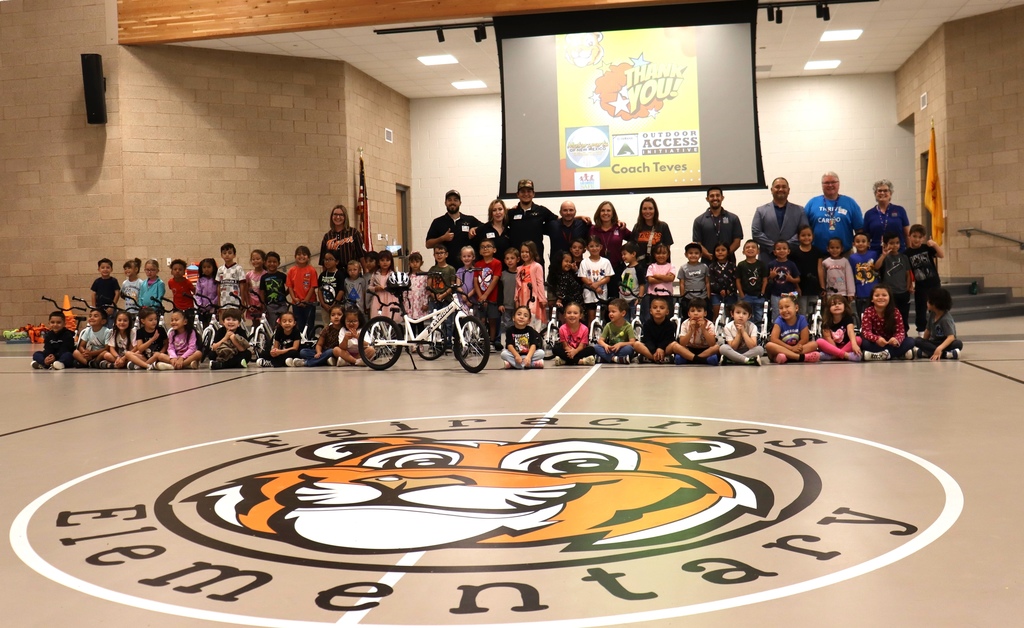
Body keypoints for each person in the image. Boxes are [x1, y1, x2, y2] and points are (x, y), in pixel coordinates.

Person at [751, 177, 809, 264]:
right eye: (777, 187)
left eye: (784, 187)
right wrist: (775, 248)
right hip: (767, 258)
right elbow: (756, 233)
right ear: (771, 190)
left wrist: (786, 247)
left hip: (793, 258)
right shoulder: (761, 210)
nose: (781, 189)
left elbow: (804, 232)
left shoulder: (800, 210)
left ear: (788, 190)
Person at [805, 171, 864, 252]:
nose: (830, 185)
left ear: (838, 184)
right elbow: (804, 228)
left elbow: (859, 230)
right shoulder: (812, 203)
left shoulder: (850, 203)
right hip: (818, 255)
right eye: (826, 183)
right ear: (822, 185)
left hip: (845, 254)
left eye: (833, 182)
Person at [508, 179, 557, 273]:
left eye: (529, 191)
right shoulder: (510, 213)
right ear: (517, 194)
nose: (526, 194)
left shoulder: (541, 211)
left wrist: (579, 217)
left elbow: (560, 220)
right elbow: (495, 224)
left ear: (533, 194)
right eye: (522, 191)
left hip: (536, 259)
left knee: (537, 287)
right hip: (516, 260)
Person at [905, 224, 944, 335]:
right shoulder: (907, 253)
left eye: (920, 237)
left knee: (936, 306)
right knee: (921, 308)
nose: (917, 239)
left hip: (934, 282)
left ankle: (937, 329)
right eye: (914, 236)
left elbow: (941, 255)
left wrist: (935, 244)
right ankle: (921, 330)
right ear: (909, 236)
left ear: (923, 238)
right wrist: (910, 284)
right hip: (921, 285)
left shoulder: (926, 248)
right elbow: (908, 271)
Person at [425, 189, 482, 263]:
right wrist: (443, 238)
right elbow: (428, 244)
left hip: (466, 268)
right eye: (449, 200)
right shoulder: (438, 222)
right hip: (445, 269)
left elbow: (486, 227)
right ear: (445, 203)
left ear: (460, 203)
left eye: (455, 200)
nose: (452, 202)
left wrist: (474, 228)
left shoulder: (470, 220)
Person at [861, 284, 915, 360]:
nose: (880, 298)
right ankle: (897, 354)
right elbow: (866, 332)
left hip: (892, 343)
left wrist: (896, 339)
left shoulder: (895, 312)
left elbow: (901, 332)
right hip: (876, 343)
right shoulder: (868, 311)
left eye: (884, 295)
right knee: (864, 343)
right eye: (877, 295)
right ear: (872, 299)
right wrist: (876, 339)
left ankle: (880, 355)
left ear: (889, 298)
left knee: (910, 341)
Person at [590, 200, 632, 297]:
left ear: (613, 214)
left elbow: (634, 239)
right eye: (603, 210)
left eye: (608, 211)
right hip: (597, 271)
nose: (606, 213)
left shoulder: (620, 228)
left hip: (617, 269)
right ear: (598, 213)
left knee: (617, 299)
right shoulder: (592, 229)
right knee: (598, 299)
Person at [692, 186, 743, 263]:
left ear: (722, 198)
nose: (715, 198)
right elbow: (698, 243)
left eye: (717, 195)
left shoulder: (733, 218)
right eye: (711, 196)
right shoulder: (699, 220)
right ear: (707, 199)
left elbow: (737, 241)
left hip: (729, 261)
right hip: (707, 262)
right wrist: (709, 255)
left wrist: (725, 255)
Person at [765, 294, 821, 364]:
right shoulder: (779, 321)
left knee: (814, 344)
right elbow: (774, 339)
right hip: (783, 348)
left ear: (796, 308)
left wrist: (796, 347)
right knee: (769, 345)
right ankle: (800, 357)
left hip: (796, 349)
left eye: (787, 307)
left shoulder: (801, 319)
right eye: (781, 308)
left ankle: (787, 357)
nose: (784, 310)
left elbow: (805, 339)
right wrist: (791, 348)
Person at [547, 200, 591, 282]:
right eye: (565, 210)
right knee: (554, 294)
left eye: (571, 210)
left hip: (577, 269)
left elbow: (600, 227)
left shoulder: (583, 224)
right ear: (560, 212)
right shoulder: (552, 225)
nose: (568, 212)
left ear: (575, 212)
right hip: (556, 269)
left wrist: (616, 222)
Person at [878, 231, 914, 328]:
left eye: (897, 243)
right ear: (885, 245)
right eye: (891, 243)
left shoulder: (904, 257)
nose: (895, 245)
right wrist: (884, 255)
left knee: (903, 315)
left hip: (903, 292)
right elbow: (876, 267)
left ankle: (904, 333)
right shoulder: (885, 258)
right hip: (890, 293)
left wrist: (908, 287)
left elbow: (908, 274)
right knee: (890, 315)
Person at [863, 179, 910, 253]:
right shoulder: (869, 214)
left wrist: (909, 252)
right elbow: (866, 237)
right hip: (876, 253)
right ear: (875, 194)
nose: (882, 193)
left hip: (898, 252)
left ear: (890, 193)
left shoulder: (900, 210)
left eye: (885, 190)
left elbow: (907, 235)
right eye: (879, 191)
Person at [668, 297, 720, 365]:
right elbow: (682, 343)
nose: (695, 313)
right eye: (692, 311)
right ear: (689, 314)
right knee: (676, 350)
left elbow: (712, 344)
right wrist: (691, 330)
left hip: (705, 349)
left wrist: (703, 329)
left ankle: (694, 359)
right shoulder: (685, 323)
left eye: (699, 311)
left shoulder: (709, 324)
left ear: (705, 313)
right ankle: (699, 359)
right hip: (689, 349)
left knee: (717, 348)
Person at [915, 288, 962, 360]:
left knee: (958, 344)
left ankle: (932, 352)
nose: (927, 302)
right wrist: (923, 343)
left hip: (945, 344)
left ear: (935, 304)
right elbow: (928, 331)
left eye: (929, 301)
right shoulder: (932, 314)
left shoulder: (945, 319)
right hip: (933, 342)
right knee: (917, 341)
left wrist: (939, 348)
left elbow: (951, 337)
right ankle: (946, 354)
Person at [631, 196, 674, 272]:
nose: (647, 211)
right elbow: (632, 249)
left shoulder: (663, 226)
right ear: (641, 211)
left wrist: (667, 269)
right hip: (640, 269)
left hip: (658, 269)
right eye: (644, 209)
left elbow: (667, 251)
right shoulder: (637, 227)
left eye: (650, 208)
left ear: (655, 210)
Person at [789, 225, 825, 316]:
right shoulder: (794, 252)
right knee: (802, 311)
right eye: (803, 235)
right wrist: (796, 286)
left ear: (813, 236)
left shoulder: (817, 251)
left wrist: (822, 287)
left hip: (814, 285)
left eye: (809, 235)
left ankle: (813, 329)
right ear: (798, 237)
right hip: (801, 286)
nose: (806, 238)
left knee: (813, 311)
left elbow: (820, 269)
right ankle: (803, 329)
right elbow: (793, 271)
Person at [578, 236, 614, 324]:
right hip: (589, 294)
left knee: (601, 316)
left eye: (597, 246)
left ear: (601, 247)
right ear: (587, 248)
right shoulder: (584, 262)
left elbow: (608, 277)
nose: (594, 248)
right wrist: (594, 287)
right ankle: (591, 335)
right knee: (591, 316)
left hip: (602, 293)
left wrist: (598, 284)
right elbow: (583, 277)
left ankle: (600, 335)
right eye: (591, 246)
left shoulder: (605, 262)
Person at [319, 204, 365, 271]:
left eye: (341, 215)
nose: (338, 217)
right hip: (333, 274)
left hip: (350, 274)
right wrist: (324, 275)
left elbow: (361, 255)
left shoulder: (354, 233)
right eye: (335, 214)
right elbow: (323, 259)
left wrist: (365, 271)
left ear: (345, 217)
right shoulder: (328, 236)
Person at [427, 245, 458, 348]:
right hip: (434, 300)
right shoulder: (432, 269)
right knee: (434, 322)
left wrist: (444, 295)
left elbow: (452, 285)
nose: (439, 255)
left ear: (446, 254)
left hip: (447, 299)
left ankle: (448, 343)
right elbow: (429, 285)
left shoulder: (451, 269)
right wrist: (435, 295)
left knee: (448, 323)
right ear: (434, 255)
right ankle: (434, 344)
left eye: (441, 253)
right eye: (437, 253)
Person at [719, 301, 766, 365]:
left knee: (760, 349)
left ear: (749, 316)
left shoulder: (752, 326)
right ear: (732, 314)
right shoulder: (728, 327)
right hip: (733, 352)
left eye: (744, 313)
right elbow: (733, 347)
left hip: (748, 351)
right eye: (738, 312)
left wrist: (743, 332)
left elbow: (752, 346)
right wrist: (739, 333)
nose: (741, 316)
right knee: (723, 348)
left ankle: (733, 360)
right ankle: (747, 360)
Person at [816, 294, 862, 361]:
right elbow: (828, 338)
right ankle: (846, 355)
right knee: (819, 341)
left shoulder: (848, 318)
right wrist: (835, 350)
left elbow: (850, 331)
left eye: (839, 303)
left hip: (846, 346)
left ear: (844, 306)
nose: (837, 306)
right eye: (833, 304)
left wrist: (854, 344)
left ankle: (832, 357)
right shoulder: (826, 321)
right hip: (832, 347)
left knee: (858, 339)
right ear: (829, 308)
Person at [474, 240, 504, 344]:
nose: (485, 248)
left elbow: (495, 280)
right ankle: (482, 340)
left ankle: (491, 341)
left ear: (494, 250)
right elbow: (475, 281)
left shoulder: (497, 263)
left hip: (492, 298)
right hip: (481, 298)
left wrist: (486, 295)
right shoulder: (478, 264)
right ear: (480, 251)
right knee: (481, 320)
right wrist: (480, 296)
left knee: (492, 320)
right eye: (482, 247)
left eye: (488, 246)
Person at [287, 245, 319, 339]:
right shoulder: (291, 271)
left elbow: (313, 287)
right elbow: (290, 287)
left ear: (308, 257)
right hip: (296, 303)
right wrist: (294, 299)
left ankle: (310, 343)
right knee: (298, 325)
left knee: (309, 325)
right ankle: (299, 344)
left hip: (309, 303)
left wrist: (306, 300)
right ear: (295, 256)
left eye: (304, 254)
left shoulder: (312, 270)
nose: (301, 256)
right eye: (299, 254)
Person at [736, 240, 768, 328]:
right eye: (747, 247)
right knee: (745, 316)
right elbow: (738, 281)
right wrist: (742, 294)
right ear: (743, 251)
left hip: (758, 296)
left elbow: (765, 279)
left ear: (758, 251)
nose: (750, 249)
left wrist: (762, 292)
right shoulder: (741, 265)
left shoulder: (761, 264)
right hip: (746, 296)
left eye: (753, 247)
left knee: (759, 316)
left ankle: (757, 335)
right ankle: (746, 334)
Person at [633, 295, 675, 363]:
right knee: (636, 344)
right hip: (651, 349)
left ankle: (648, 358)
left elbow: (668, 339)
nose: (658, 310)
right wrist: (654, 351)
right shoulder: (647, 324)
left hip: (664, 349)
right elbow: (647, 340)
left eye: (662, 308)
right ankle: (657, 358)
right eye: (655, 308)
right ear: (650, 311)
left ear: (667, 312)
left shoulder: (670, 324)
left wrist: (661, 348)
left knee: (674, 345)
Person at [767, 241, 800, 322]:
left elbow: (798, 279)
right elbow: (766, 280)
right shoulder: (771, 264)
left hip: (789, 294)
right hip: (775, 294)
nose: (781, 251)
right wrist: (771, 276)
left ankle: (790, 329)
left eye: (784, 248)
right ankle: (776, 330)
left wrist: (791, 280)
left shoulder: (792, 264)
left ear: (788, 251)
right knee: (776, 312)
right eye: (778, 249)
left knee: (790, 312)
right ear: (774, 252)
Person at [516, 241, 546, 330]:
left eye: (527, 252)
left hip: (533, 295)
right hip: (522, 295)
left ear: (532, 252)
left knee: (533, 314)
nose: (524, 254)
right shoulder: (519, 268)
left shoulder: (537, 266)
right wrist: (516, 298)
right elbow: (518, 285)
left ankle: (536, 336)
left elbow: (540, 283)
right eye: (522, 252)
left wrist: (542, 298)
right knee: (523, 315)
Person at [595, 298, 636, 364]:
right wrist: (605, 345)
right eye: (609, 311)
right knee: (596, 347)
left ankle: (604, 358)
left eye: (613, 312)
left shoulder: (628, 326)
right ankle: (616, 359)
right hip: (610, 349)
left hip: (621, 349)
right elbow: (600, 340)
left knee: (629, 349)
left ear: (623, 313)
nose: (610, 314)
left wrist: (620, 344)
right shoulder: (608, 325)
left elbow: (632, 342)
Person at [474, 200, 512, 266]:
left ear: (504, 211)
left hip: (506, 269)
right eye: (494, 210)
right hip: (488, 270)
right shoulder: (482, 229)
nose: (498, 212)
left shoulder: (509, 230)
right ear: (491, 213)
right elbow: (476, 250)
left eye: (500, 209)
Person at [850, 233, 880, 316]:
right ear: (853, 244)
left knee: (875, 314)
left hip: (873, 290)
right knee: (862, 314)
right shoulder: (852, 257)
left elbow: (878, 267)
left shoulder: (874, 254)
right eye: (858, 241)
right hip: (860, 291)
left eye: (863, 241)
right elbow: (851, 274)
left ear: (868, 243)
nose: (860, 243)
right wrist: (853, 291)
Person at [259, 252, 289, 330]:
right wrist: (262, 303)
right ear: (265, 263)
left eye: (274, 262)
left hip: (281, 304)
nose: (272, 264)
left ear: (278, 263)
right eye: (269, 262)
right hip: (269, 305)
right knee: (272, 325)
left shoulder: (282, 276)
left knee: (283, 324)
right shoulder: (264, 277)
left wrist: (285, 294)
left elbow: (290, 287)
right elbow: (261, 291)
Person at [708, 242, 738, 322]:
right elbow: (711, 281)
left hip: (730, 293)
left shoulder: (732, 265)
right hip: (716, 294)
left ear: (728, 252)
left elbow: (735, 280)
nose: (720, 252)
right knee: (716, 313)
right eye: (717, 250)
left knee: (731, 314)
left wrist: (729, 290)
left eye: (723, 250)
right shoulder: (712, 266)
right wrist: (719, 290)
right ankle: (715, 329)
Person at [679, 242, 711, 312]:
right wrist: (682, 297)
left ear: (700, 255)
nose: (693, 255)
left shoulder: (704, 267)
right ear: (686, 254)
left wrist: (708, 296)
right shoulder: (683, 268)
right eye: (690, 253)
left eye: (696, 253)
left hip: (702, 297)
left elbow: (707, 282)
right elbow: (682, 283)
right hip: (688, 297)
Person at [369, 250, 400, 321]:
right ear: (378, 262)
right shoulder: (375, 274)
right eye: (382, 260)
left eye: (387, 260)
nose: (385, 262)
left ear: (391, 262)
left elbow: (397, 287)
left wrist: (390, 288)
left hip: (390, 298)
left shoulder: (393, 274)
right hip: (378, 298)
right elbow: (370, 287)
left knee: (390, 316)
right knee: (379, 317)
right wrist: (376, 288)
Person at [552, 251, 584, 319]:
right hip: (567, 301)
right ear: (559, 261)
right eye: (566, 261)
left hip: (576, 301)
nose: (568, 264)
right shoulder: (560, 274)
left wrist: (559, 300)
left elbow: (563, 289)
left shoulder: (568, 274)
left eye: (570, 262)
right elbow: (561, 288)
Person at [216, 242, 247, 310]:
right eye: (224, 253)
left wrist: (242, 301)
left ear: (234, 255)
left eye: (230, 253)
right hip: (223, 302)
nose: (227, 255)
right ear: (221, 255)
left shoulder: (238, 268)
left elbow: (242, 286)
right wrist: (218, 302)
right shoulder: (220, 269)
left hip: (236, 302)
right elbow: (218, 287)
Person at [404, 253, 429, 335]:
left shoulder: (425, 276)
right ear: (409, 264)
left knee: (420, 324)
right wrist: (404, 303)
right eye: (412, 262)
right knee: (411, 325)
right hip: (410, 304)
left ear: (421, 263)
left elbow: (426, 291)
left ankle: (420, 345)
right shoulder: (407, 276)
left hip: (420, 303)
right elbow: (404, 291)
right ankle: (413, 346)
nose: (415, 264)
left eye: (417, 262)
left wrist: (425, 303)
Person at [91, 258, 120, 328]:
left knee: (111, 327)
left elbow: (117, 293)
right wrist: (94, 308)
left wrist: (112, 306)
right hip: (99, 308)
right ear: (99, 269)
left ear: (111, 269)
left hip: (111, 309)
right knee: (99, 326)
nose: (105, 269)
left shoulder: (113, 281)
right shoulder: (97, 281)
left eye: (108, 267)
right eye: (102, 267)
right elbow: (93, 294)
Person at [499, 248, 520, 345]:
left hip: (518, 306)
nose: (510, 261)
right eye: (507, 259)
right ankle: (509, 343)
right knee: (508, 326)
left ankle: (519, 343)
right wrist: (500, 303)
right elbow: (500, 290)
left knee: (519, 324)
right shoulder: (503, 274)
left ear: (518, 259)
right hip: (506, 306)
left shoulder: (521, 273)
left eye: (512, 258)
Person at [618, 242, 644, 319]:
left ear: (633, 254)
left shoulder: (638, 268)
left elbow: (642, 284)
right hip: (623, 301)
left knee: (634, 319)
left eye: (625, 254)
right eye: (622, 255)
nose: (623, 256)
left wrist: (639, 298)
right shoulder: (625, 268)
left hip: (633, 300)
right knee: (625, 320)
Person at [195, 258, 218, 328]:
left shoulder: (216, 280)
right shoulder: (200, 280)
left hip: (213, 307)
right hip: (202, 308)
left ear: (213, 268)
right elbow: (198, 293)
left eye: (209, 267)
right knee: (204, 326)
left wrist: (212, 304)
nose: (206, 269)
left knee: (213, 325)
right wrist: (200, 304)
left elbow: (218, 294)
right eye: (204, 267)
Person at [317, 251, 342, 317]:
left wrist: (334, 304)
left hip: (336, 306)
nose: (327, 262)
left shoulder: (339, 274)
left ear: (336, 262)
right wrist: (322, 303)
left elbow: (341, 290)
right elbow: (319, 290)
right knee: (326, 325)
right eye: (326, 259)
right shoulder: (322, 275)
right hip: (325, 306)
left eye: (330, 259)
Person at [246, 250, 267, 324]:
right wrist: (248, 304)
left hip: (262, 302)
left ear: (264, 260)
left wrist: (262, 302)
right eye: (253, 259)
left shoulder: (266, 274)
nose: (255, 261)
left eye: (258, 259)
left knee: (264, 322)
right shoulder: (249, 274)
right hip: (252, 302)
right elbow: (246, 290)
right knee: (255, 323)